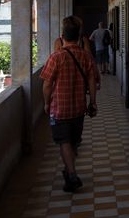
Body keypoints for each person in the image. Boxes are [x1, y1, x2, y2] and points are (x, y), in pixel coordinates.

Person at [41, 16, 98, 192]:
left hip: (60, 108)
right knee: (73, 140)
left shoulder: (55, 57)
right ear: (79, 36)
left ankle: (72, 175)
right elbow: (92, 82)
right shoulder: (85, 56)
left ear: (62, 36)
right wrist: (92, 102)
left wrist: (46, 103)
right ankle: (68, 170)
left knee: (64, 141)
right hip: (79, 107)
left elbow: (47, 84)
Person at [54, 16, 100, 90]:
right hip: (79, 80)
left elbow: (55, 63)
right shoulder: (83, 40)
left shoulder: (59, 41)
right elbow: (90, 58)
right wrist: (97, 74)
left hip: (63, 81)